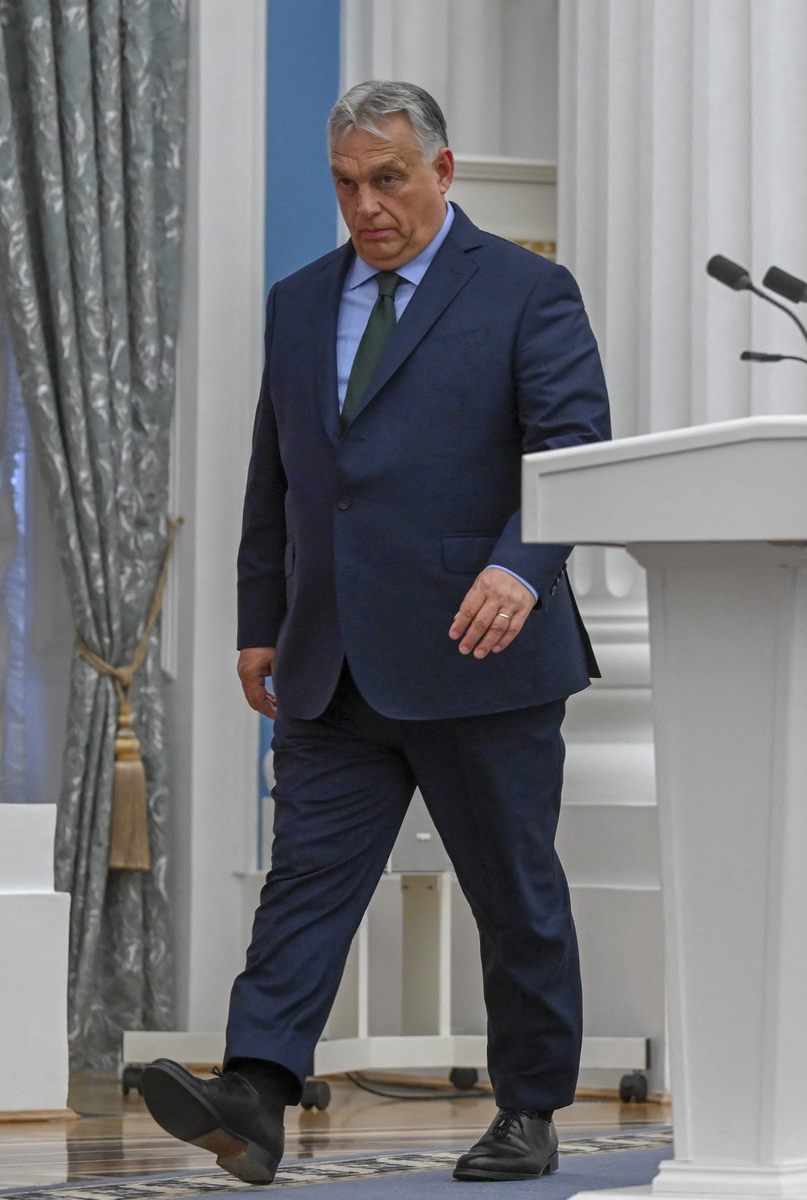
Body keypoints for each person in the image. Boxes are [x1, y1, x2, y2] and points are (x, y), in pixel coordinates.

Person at [139, 80, 610, 1185]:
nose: (367, 206)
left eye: (388, 180)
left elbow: (572, 451)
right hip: (330, 655)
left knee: (513, 888)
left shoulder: (529, 292)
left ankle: (530, 1107)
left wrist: (522, 570)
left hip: (481, 647)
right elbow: (282, 472)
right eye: (348, 184)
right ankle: (254, 1091)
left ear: (443, 171)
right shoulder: (300, 300)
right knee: (305, 878)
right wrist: (261, 615)